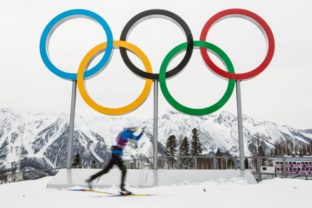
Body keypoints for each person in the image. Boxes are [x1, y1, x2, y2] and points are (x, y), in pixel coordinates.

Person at [86, 126, 145, 195]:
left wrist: (118, 146)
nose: (134, 131)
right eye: (133, 130)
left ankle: (90, 179)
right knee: (124, 170)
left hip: (115, 154)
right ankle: (122, 188)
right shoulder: (128, 133)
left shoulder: (123, 132)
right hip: (117, 155)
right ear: (131, 130)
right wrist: (142, 132)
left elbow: (118, 140)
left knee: (106, 170)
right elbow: (136, 138)